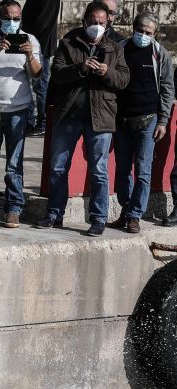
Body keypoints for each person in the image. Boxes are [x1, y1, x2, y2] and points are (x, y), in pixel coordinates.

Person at [38, 1, 128, 236]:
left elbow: (123, 80)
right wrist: (81, 67)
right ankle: (54, 213)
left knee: (99, 170)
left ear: (108, 23)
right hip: (69, 115)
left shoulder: (115, 47)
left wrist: (106, 72)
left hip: (101, 118)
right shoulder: (68, 43)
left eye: (102, 22)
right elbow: (57, 73)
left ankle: (98, 218)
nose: (97, 26)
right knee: (58, 167)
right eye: (93, 22)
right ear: (85, 21)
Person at [0, 0, 42, 229]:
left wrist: (30, 56)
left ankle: (13, 208)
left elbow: (37, 74)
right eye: (7, 18)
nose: (12, 22)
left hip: (18, 109)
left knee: (14, 163)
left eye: (16, 19)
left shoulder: (29, 40)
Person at [111, 13, 172, 233]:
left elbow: (167, 88)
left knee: (143, 171)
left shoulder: (160, 53)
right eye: (140, 31)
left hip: (148, 120)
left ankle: (135, 215)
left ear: (155, 34)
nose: (143, 35)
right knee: (122, 170)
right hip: (121, 120)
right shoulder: (120, 48)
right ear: (133, 28)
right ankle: (126, 209)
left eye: (149, 32)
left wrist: (163, 121)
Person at [22, 0, 61, 136]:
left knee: (40, 86)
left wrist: (27, 35)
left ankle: (42, 123)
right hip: (33, 42)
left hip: (39, 45)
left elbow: (42, 22)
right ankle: (30, 120)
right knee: (27, 83)